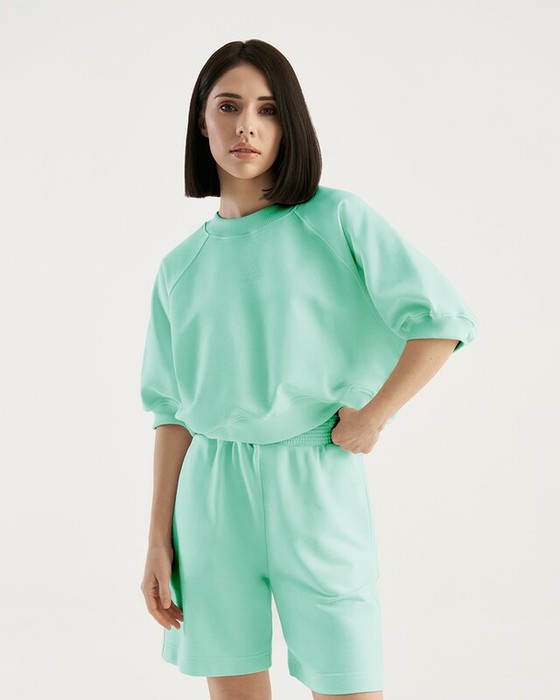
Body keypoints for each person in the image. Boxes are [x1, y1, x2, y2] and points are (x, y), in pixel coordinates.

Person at [139, 39, 477, 700]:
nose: (246, 126)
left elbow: (443, 320)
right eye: (228, 107)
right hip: (210, 494)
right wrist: (157, 538)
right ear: (201, 122)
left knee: (349, 683)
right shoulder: (178, 267)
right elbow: (170, 409)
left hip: (315, 478)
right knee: (233, 687)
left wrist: (375, 417)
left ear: (288, 123)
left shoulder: (336, 218)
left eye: (267, 110)